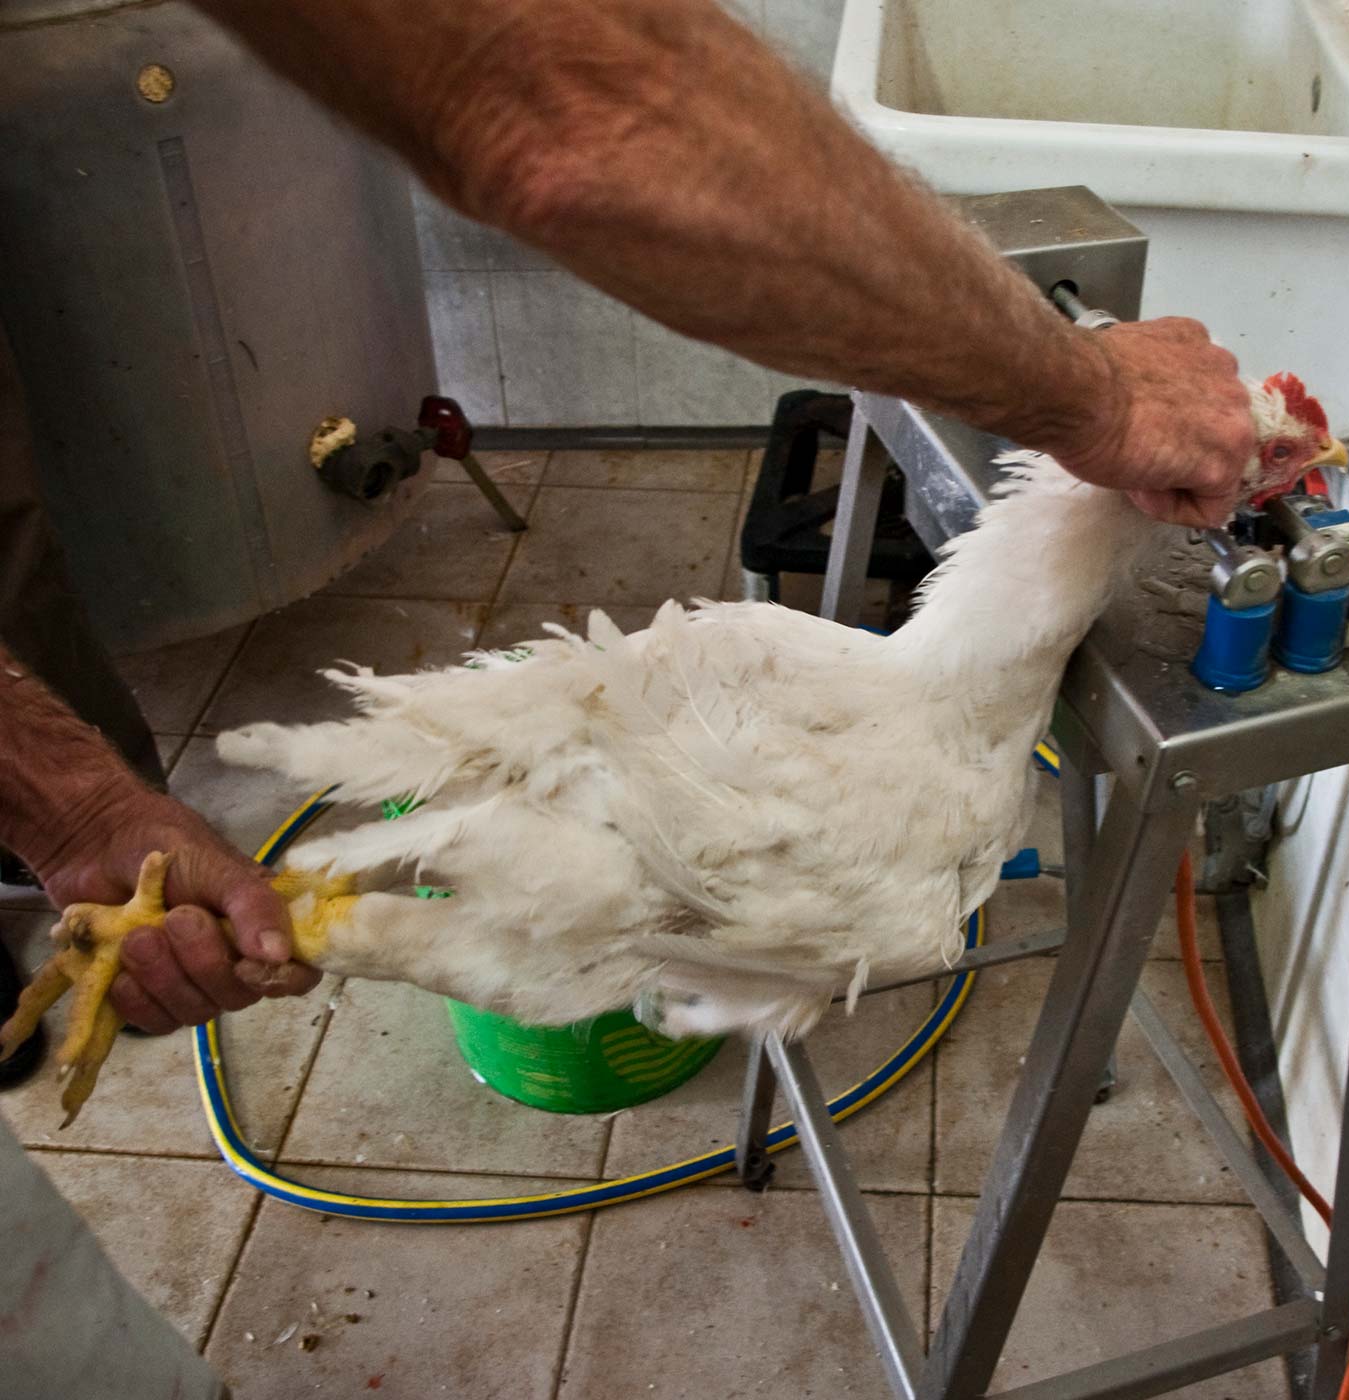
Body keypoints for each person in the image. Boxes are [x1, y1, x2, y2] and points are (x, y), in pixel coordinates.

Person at [0, 0, 1255, 1393]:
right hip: (658, 845)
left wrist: (77, 808)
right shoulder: (915, 841)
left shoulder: (844, 684)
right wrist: (1087, 396)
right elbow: (570, 117)